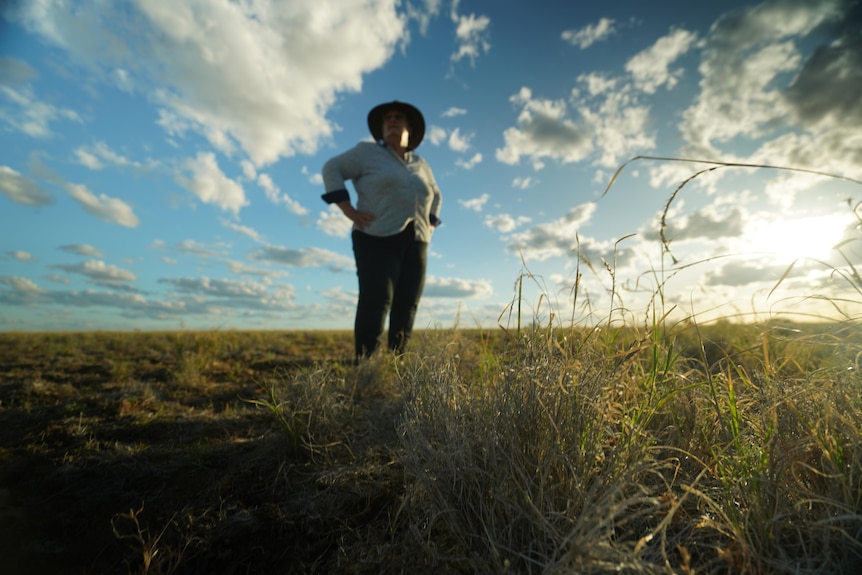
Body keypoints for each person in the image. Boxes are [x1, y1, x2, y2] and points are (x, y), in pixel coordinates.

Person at [321, 101, 442, 359]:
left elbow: (436, 194)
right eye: (387, 118)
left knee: (408, 302)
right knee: (377, 299)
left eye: (398, 117)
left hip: (417, 240)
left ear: (410, 128)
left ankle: (397, 362)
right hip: (374, 236)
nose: (392, 121)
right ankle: (367, 366)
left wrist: (430, 224)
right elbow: (332, 167)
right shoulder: (367, 152)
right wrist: (348, 210)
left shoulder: (421, 164)